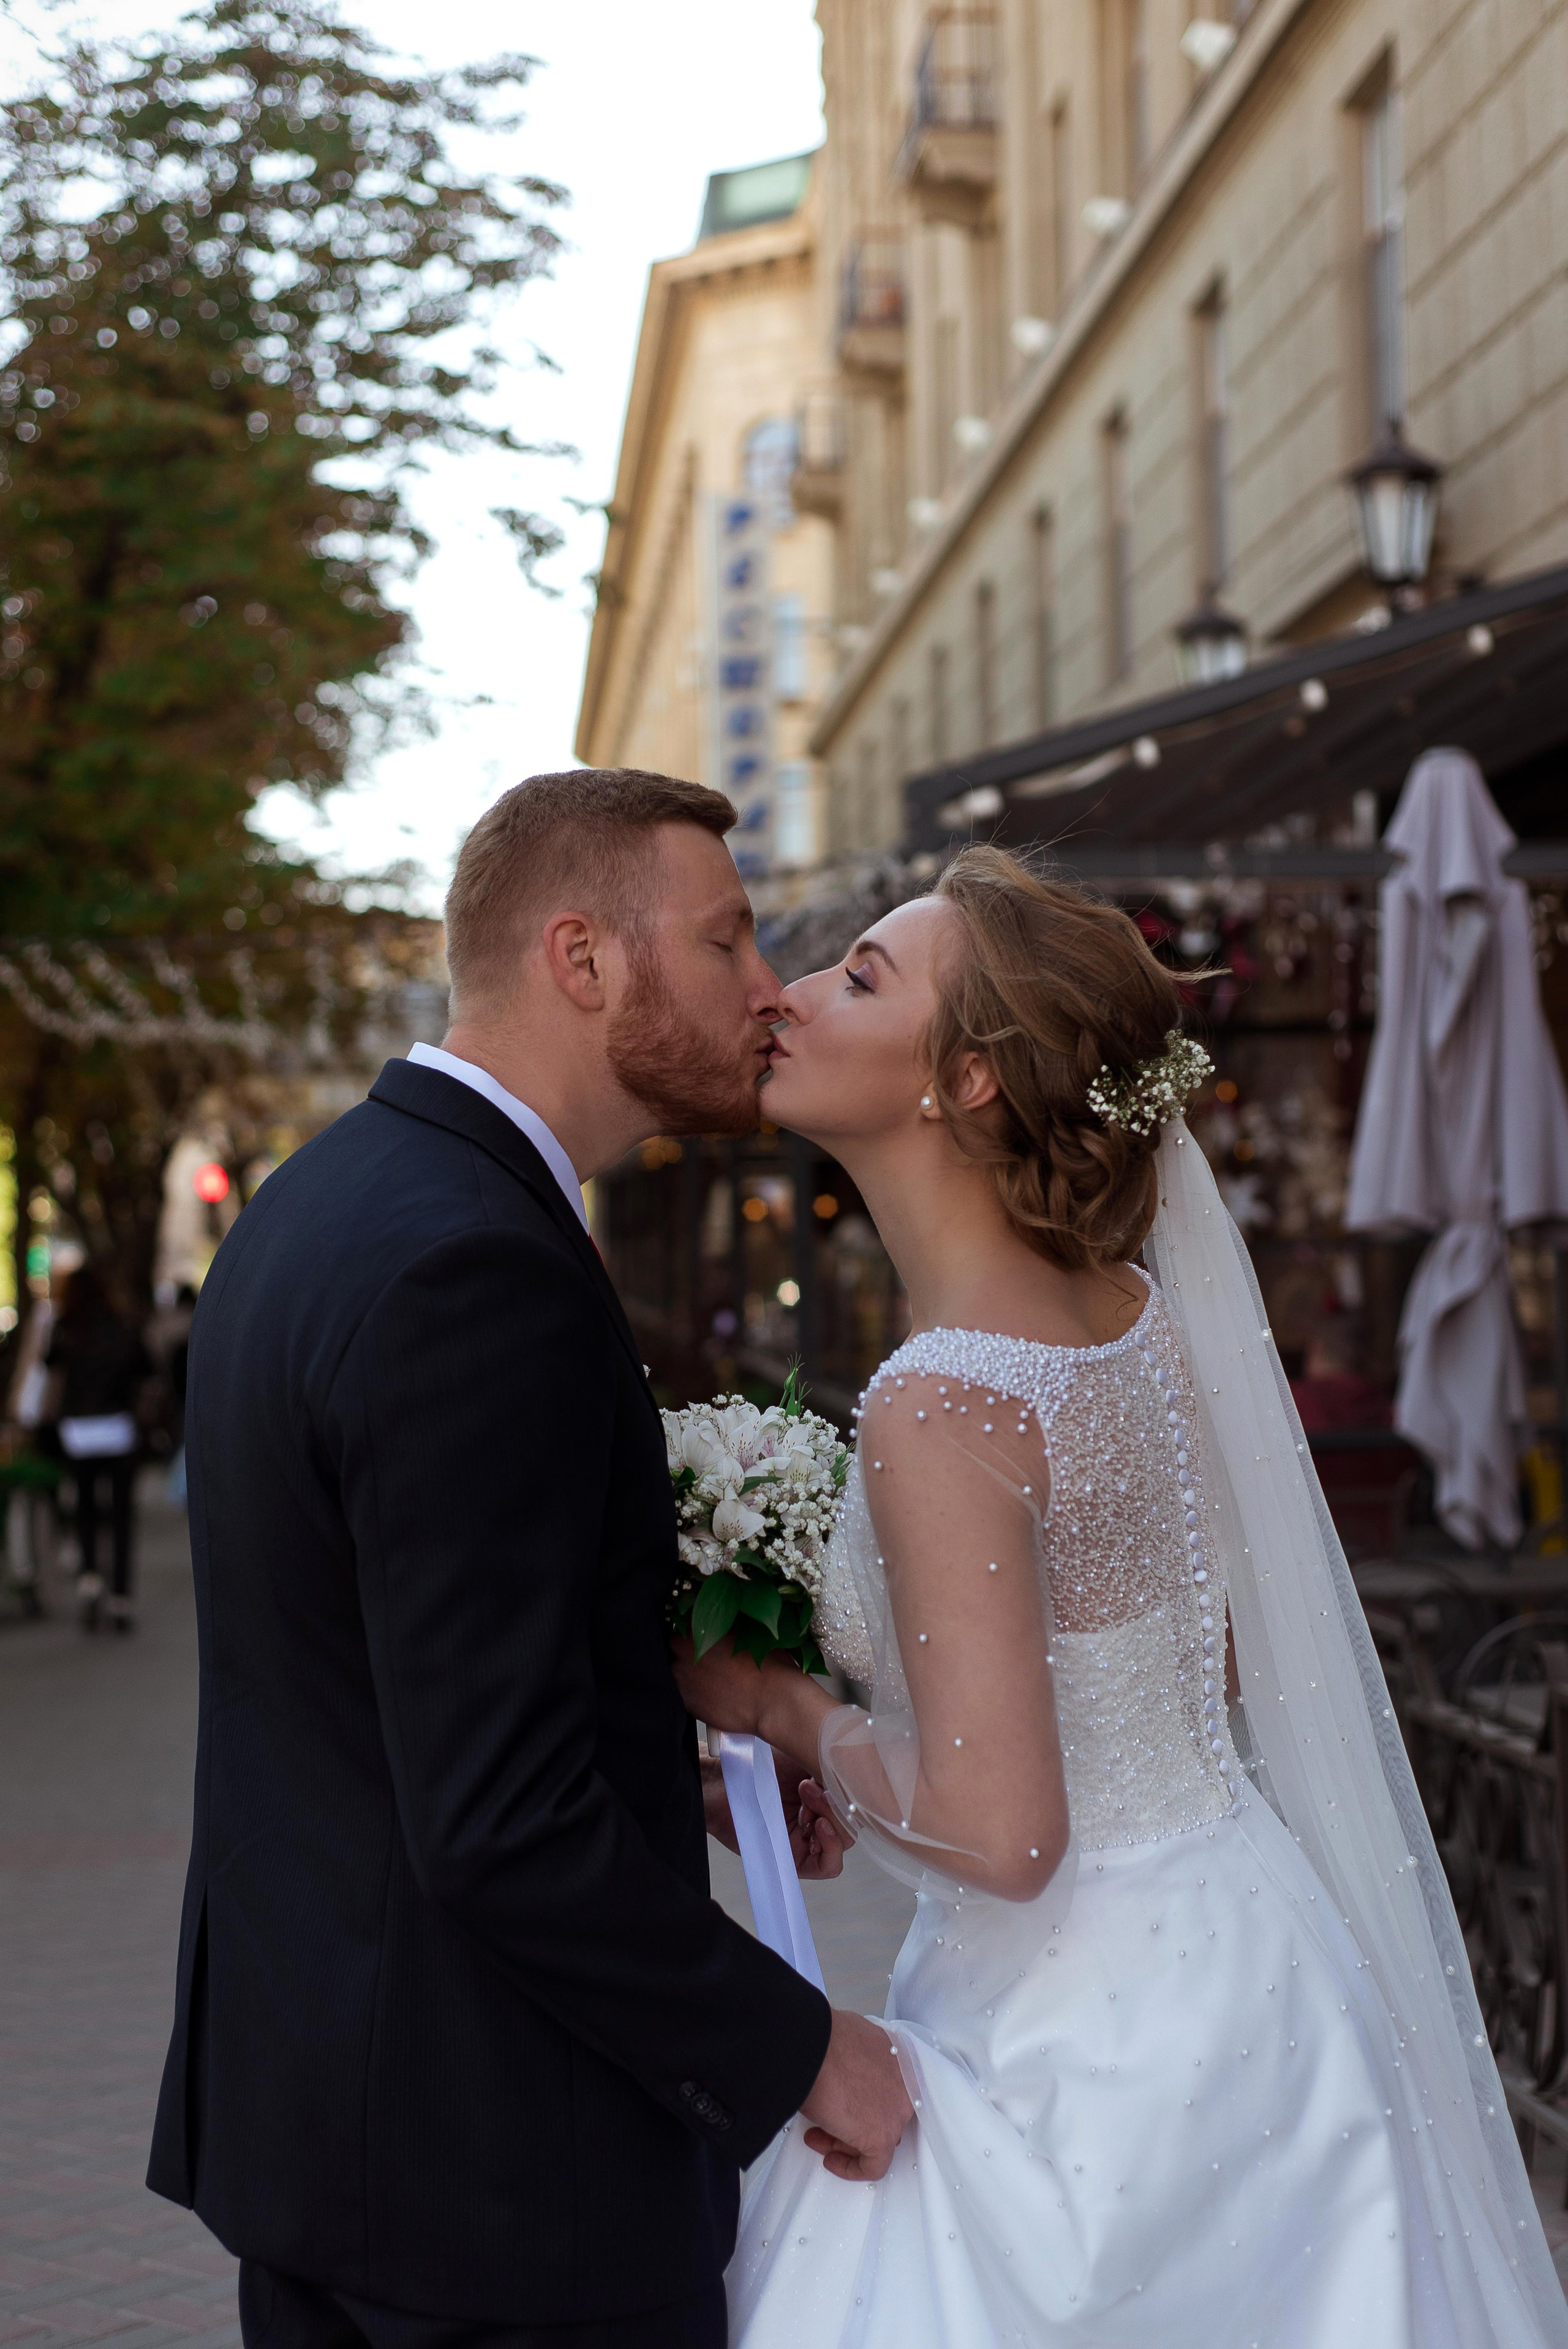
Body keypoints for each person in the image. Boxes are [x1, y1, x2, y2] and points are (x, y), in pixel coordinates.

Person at [679, 844, 1567, 2348]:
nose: (788, 995)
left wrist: (788, 1708)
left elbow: (1005, 1834)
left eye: (859, 975)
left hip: (1080, 2044)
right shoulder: (1136, 1322)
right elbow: (1197, 1655)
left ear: (961, 1083)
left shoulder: (944, 1400)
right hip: (1254, 1961)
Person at [147, 769, 911, 2349]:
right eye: (723, 940)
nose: (763, 988)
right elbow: (494, 1815)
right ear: (583, 958)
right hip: (485, 2180)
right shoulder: (472, 1264)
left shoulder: (326, 1198)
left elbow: (373, 1669)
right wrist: (792, 2045)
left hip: (335, 2119)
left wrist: (653, 1758)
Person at [45, 1263, 151, 1632]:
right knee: (121, 1516)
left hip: (78, 1432)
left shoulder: (65, 1329)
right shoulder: (122, 1326)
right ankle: (120, 1597)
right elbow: (145, 1372)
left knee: (86, 1510)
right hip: (118, 1429)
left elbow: (51, 1377)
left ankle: (89, 1580)